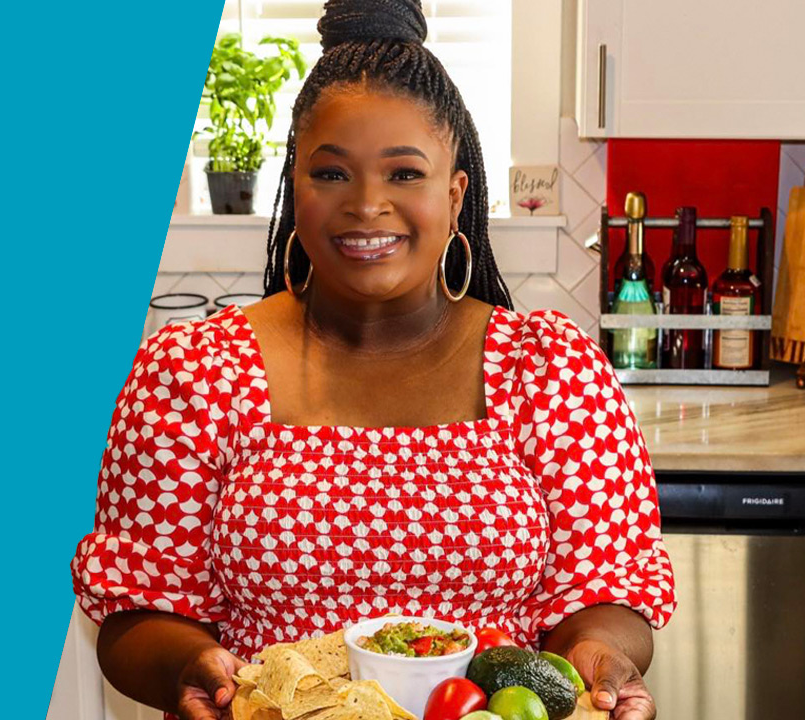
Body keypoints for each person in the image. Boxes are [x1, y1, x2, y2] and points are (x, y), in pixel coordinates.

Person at [71, 1, 675, 719]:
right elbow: (138, 609)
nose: (366, 205)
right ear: (294, 190)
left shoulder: (549, 373)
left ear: (455, 196)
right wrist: (187, 665)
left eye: (404, 174)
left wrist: (601, 660)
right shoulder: (193, 373)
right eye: (331, 175)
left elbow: (605, 592)